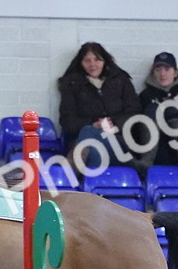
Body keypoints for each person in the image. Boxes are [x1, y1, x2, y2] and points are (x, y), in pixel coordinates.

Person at [57, 42, 141, 174]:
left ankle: (67, 178)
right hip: (84, 141)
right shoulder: (71, 84)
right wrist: (94, 124)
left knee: (88, 140)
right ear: (81, 63)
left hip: (118, 141)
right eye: (87, 60)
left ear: (105, 61)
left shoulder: (121, 80)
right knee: (91, 142)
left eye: (97, 59)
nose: (92, 65)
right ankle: (93, 190)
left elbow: (135, 112)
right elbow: (67, 121)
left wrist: (112, 123)